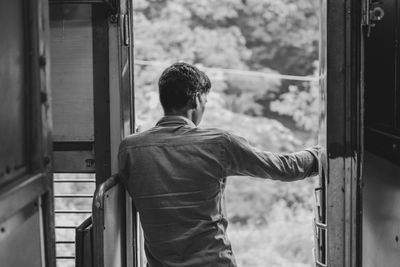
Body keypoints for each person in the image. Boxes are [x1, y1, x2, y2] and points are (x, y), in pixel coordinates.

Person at [118, 62, 320, 267]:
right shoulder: (218, 143)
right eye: (205, 100)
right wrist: (319, 153)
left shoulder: (130, 149)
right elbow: (284, 168)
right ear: (196, 99)